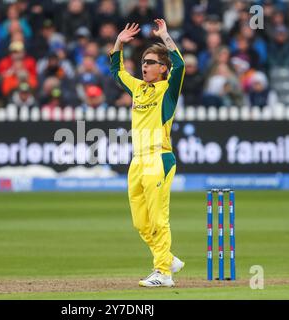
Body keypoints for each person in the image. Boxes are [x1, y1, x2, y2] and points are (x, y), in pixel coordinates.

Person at [110, 20, 185, 287]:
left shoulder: (167, 90)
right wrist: (119, 42)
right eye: (143, 61)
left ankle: (164, 272)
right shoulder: (138, 88)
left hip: (159, 157)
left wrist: (165, 36)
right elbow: (116, 71)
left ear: (163, 68)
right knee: (141, 222)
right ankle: (167, 257)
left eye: (151, 62)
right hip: (137, 160)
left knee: (158, 218)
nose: (144, 65)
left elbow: (181, 66)